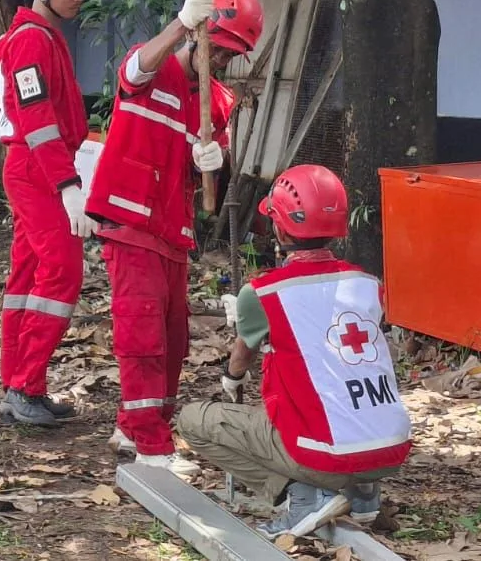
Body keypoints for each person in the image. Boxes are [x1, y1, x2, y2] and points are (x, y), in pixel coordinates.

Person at [177, 165, 413, 537]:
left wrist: (231, 377)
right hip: (391, 448)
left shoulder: (265, 293)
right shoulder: (368, 283)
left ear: (280, 227)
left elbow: (240, 362)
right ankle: (363, 493)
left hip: (326, 454)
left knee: (194, 420)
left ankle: (303, 495)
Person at [90, 0, 259, 476]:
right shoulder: (155, 66)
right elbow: (133, 71)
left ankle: (135, 426)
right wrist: (181, 24)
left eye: (232, 55)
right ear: (199, 34)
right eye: (219, 48)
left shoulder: (217, 100)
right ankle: (152, 446)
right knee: (142, 334)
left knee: (173, 338)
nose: (223, 60)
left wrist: (213, 159)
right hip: (130, 221)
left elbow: (210, 162)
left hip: (171, 229)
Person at [0, 0, 99, 427]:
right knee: (62, 271)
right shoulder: (32, 40)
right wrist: (67, 185)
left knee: (28, 275)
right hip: (37, 169)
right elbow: (37, 120)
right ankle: (25, 385)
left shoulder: (42, 37)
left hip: (36, 166)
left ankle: (17, 384)